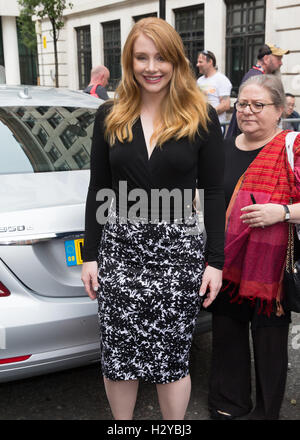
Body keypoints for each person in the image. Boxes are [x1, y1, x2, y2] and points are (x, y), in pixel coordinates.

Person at [81, 17, 225, 420]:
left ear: (177, 60)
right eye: (141, 57)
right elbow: (98, 189)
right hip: (120, 252)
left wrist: (215, 261)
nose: (151, 67)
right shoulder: (110, 114)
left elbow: (214, 192)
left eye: (161, 57)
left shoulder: (201, 115)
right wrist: (90, 255)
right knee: (119, 357)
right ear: (129, 61)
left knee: (171, 359)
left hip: (178, 255)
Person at [207, 74, 300, 420]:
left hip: (269, 272)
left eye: (258, 105)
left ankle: (266, 411)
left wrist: (284, 211)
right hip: (227, 263)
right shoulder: (221, 148)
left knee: (270, 343)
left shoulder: (293, 147)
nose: (247, 111)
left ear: (280, 110)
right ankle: (228, 405)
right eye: (242, 104)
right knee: (227, 337)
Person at [226, 43, 290, 139]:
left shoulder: (257, 75)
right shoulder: (256, 78)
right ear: (266, 59)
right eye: (278, 58)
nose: (281, 63)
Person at [196, 50, 232, 131]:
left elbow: (225, 105)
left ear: (210, 62)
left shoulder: (222, 80)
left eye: (200, 62)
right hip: (200, 125)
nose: (197, 64)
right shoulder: (199, 81)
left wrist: (207, 116)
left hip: (216, 127)